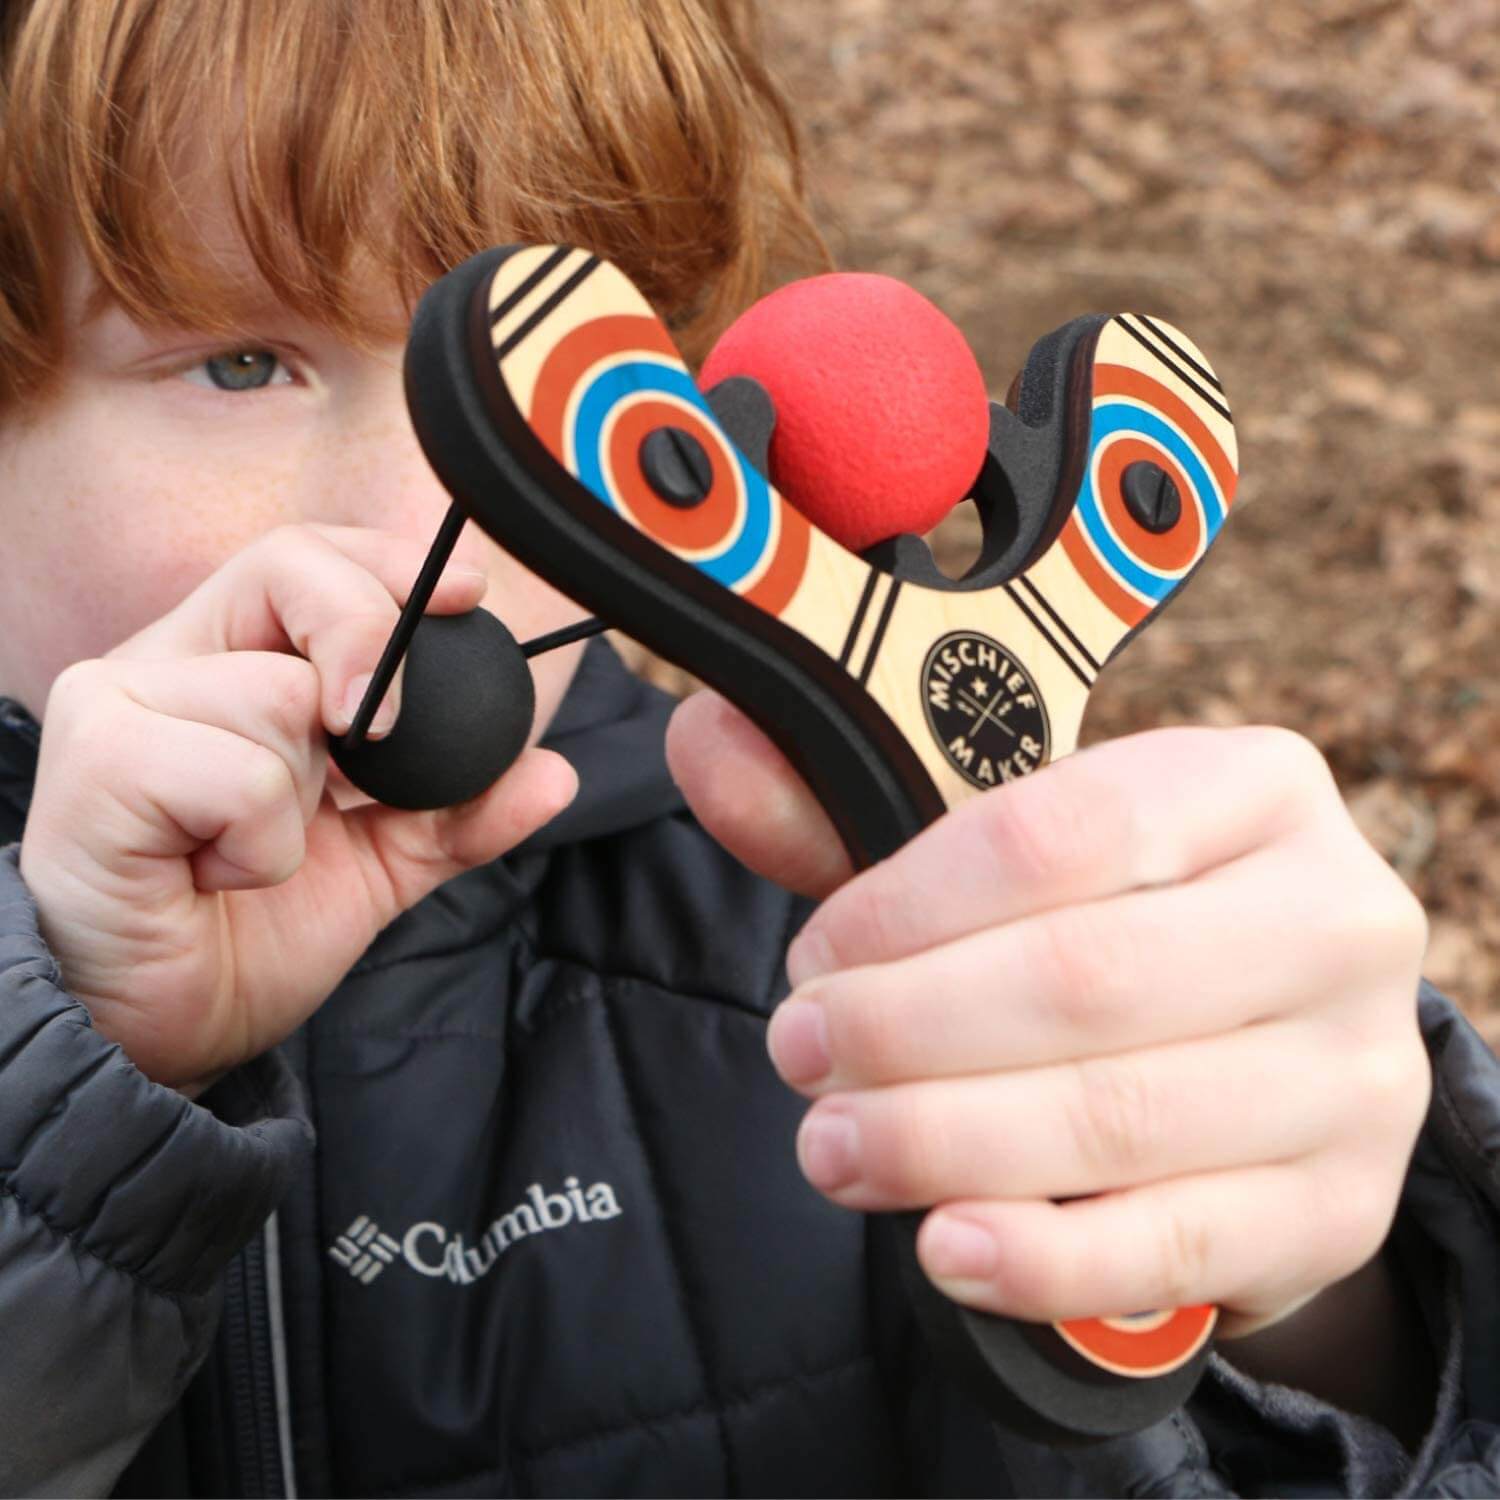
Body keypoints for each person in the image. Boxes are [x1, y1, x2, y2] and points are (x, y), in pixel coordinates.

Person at [0, 0, 1496, 1494]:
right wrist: (54, 1095)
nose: (426, 537)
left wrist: (1338, 1325)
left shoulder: (851, 945)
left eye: (546, 381)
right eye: (243, 366)